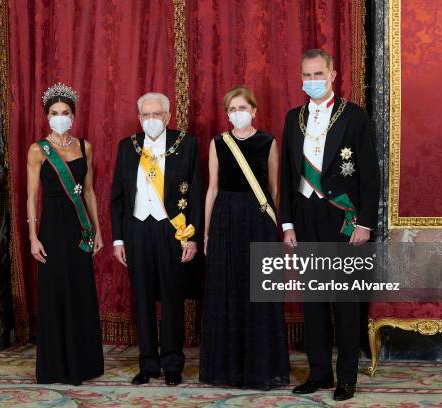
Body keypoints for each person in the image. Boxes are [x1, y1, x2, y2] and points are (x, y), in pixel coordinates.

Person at [280, 49, 380, 401]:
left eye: (318, 74)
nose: (312, 81)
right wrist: (288, 223)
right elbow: (288, 175)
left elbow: (369, 176)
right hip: (305, 215)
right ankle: (319, 373)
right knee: (314, 301)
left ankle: (346, 378)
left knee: (345, 302)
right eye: (306, 75)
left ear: (333, 74)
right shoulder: (294, 118)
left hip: (343, 217)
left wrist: (365, 224)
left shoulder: (354, 116)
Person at [199, 86, 290, 390]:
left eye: (242, 108)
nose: (237, 114)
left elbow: (274, 189)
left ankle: (261, 368)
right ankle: (228, 369)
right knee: (228, 287)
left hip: (259, 219)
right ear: (227, 114)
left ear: (253, 111)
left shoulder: (268, 142)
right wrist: (207, 231)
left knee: (258, 292)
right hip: (225, 217)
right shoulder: (218, 143)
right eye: (231, 110)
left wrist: (277, 227)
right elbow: (212, 189)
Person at [110, 92, 203, 386]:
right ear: (139, 118)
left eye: (157, 115)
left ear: (167, 116)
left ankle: (173, 363)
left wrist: (193, 237)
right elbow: (118, 197)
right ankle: (148, 364)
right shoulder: (128, 147)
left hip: (171, 230)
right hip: (137, 228)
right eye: (146, 115)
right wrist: (118, 240)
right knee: (142, 298)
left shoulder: (185, 144)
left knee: (173, 297)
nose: (152, 120)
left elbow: (197, 194)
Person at [27, 82, 104, 385]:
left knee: (80, 290)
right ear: (47, 117)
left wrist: (97, 230)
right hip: (52, 228)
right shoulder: (38, 150)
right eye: (55, 113)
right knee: (55, 291)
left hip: (79, 227)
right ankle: (56, 365)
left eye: (66, 113)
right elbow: (32, 197)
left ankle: (82, 363)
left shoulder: (84, 146)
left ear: (73, 115)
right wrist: (33, 237)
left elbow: (89, 191)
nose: (61, 117)